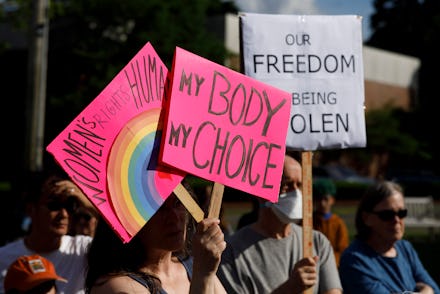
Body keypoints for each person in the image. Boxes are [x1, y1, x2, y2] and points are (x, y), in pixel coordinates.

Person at [217, 154, 342, 294]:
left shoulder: (317, 242)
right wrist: (290, 288)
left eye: (299, 185)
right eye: (286, 185)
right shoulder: (231, 252)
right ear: (260, 191)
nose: (295, 193)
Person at [85, 184, 227, 293]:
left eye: (178, 203)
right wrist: (203, 276)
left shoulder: (192, 266)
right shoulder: (116, 285)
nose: (174, 217)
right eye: (158, 208)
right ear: (128, 218)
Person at [339, 181, 440, 293]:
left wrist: (430, 289)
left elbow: (435, 289)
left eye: (402, 213)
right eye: (387, 215)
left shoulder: (405, 249)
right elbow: (430, 289)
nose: (396, 220)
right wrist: (426, 291)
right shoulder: (355, 260)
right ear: (366, 218)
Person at [0, 170, 92, 294]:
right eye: (53, 205)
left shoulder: (83, 249)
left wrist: (87, 203)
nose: (63, 214)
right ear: (30, 209)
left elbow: (122, 244)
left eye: (70, 206)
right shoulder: (3, 258)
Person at [312, 178, 349, 266]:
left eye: (326, 199)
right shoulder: (308, 221)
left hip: (333, 266)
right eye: (318, 199)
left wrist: (329, 263)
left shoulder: (338, 223)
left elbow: (342, 250)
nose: (322, 203)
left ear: (332, 200)